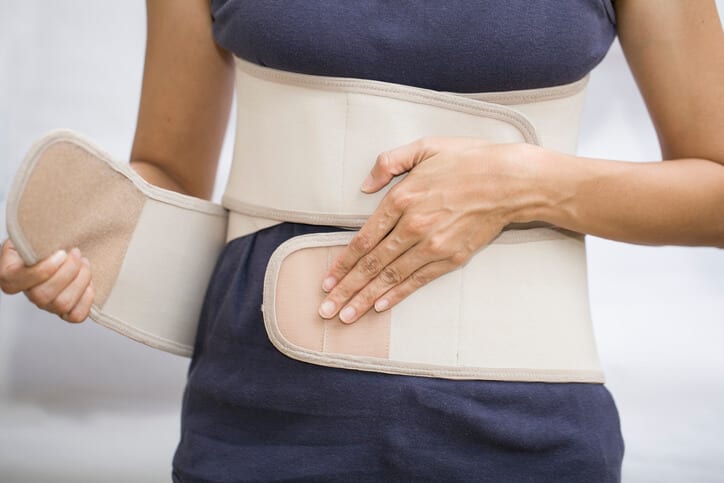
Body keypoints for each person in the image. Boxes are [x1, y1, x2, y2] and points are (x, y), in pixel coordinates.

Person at [1, 0, 722, 481]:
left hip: (522, 432)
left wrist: (527, 184)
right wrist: (86, 241)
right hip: (259, 421)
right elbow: (168, 169)